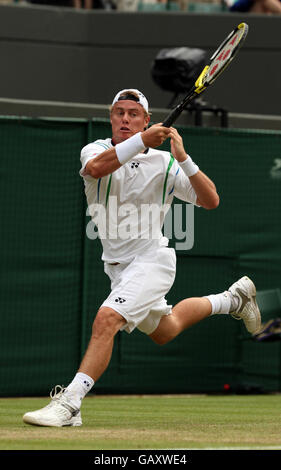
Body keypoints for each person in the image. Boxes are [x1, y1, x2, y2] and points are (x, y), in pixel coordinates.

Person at [23, 89, 261, 427]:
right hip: (118, 268)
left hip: (153, 260)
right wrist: (142, 141)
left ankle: (70, 404)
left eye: (133, 113)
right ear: (111, 118)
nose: (125, 119)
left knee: (107, 319)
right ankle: (231, 299)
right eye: (119, 112)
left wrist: (183, 158)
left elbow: (211, 201)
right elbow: (97, 168)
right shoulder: (96, 149)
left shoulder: (165, 165)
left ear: (146, 120)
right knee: (167, 329)